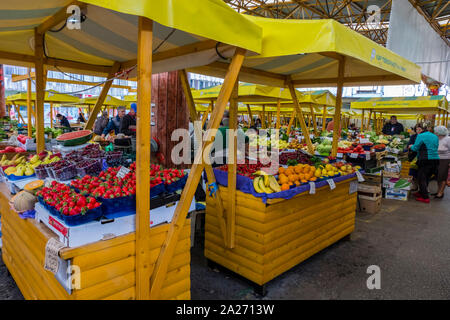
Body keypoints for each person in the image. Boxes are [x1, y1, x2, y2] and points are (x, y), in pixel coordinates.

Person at [409, 124, 439, 203]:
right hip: (435, 159)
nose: (417, 131)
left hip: (425, 159)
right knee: (427, 177)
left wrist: (410, 146)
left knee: (421, 178)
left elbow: (415, 148)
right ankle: (421, 192)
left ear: (422, 129)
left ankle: (425, 198)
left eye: (418, 129)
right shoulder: (435, 136)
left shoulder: (420, 136)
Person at [433, 126, 450, 199]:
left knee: (442, 176)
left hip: (445, 160)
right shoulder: (436, 138)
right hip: (436, 159)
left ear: (440, 133)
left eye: (436, 132)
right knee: (438, 176)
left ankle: (441, 192)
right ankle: (438, 191)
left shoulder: (448, 139)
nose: (435, 133)